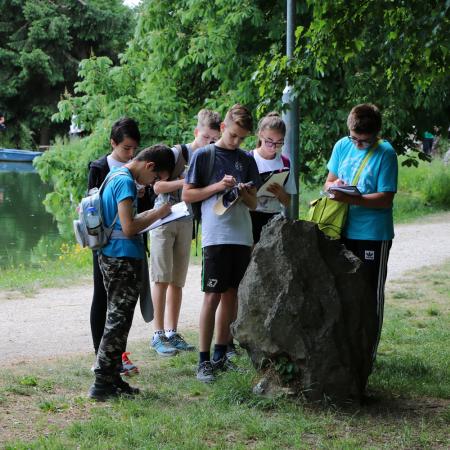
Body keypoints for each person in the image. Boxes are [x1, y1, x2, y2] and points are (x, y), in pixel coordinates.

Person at [88, 144, 175, 401]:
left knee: (118, 320)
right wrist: (159, 213)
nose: (153, 183)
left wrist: (154, 214)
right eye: (156, 178)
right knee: (117, 321)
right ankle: (102, 383)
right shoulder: (125, 182)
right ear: (149, 166)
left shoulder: (115, 175)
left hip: (113, 255)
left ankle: (113, 379)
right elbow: (128, 227)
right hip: (121, 258)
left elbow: (125, 219)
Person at [182, 104, 261, 383]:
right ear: (223, 127)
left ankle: (220, 354)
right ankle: (203, 361)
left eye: (243, 138)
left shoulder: (247, 159)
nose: (237, 142)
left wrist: (244, 192)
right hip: (216, 236)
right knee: (212, 296)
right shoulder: (204, 155)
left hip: (241, 235)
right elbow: (188, 195)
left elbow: (254, 203)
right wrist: (218, 187)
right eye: (234, 135)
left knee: (232, 295)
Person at [323, 103, 398, 367]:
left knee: (369, 294)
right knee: (343, 290)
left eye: (363, 142)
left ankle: (368, 354)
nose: (356, 145)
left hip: (372, 234)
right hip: (343, 229)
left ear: (376, 135)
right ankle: (346, 349)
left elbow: (386, 198)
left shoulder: (386, 154)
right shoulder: (342, 145)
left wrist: (354, 199)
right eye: (354, 138)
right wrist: (336, 187)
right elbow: (329, 181)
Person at [150, 109, 221, 356]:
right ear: (196, 133)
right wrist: (186, 181)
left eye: (213, 139)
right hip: (164, 218)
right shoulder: (177, 153)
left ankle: (172, 331)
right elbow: (158, 186)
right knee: (161, 277)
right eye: (205, 138)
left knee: (177, 280)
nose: (209, 143)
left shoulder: (211, 157)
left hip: (187, 219)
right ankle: (157, 334)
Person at [87, 117, 153, 376]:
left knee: (122, 305)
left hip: (130, 240)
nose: (130, 153)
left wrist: (141, 194)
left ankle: (115, 356)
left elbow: (146, 206)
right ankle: (100, 356)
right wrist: (123, 197)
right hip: (105, 241)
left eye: (134, 149)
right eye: (125, 148)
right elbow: (93, 202)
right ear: (113, 143)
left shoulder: (135, 170)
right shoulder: (100, 166)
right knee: (102, 297)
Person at [250, 112, 295, 244]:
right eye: (269, 141)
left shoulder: (285, 163)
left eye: (279, 143)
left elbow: (287, 202)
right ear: (260, 135)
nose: (273, 147)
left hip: (273, 218)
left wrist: (280, 193)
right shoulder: (249, 159)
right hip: (249, 216)